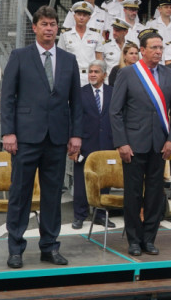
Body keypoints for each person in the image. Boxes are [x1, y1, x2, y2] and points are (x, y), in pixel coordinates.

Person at [2, 6, 81, 269]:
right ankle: (15, 249)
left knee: (52, 196)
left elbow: (76, 103)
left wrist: (76, 135)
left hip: (57, 139)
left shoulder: (69, 61)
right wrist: (8, 132)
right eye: (44, 24)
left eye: (53, 24)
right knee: (20, 195)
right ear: (34, 27)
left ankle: (49, 247)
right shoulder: (19, 56)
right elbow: (8, 97)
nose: (49, 28)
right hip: (25, 137)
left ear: (58, 28)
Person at [109, 29, 171, 256]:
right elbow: (115, 111)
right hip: (133, 145)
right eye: (154, 47)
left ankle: (149, 238)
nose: (159, 51)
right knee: (132, 194)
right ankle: (133, 239)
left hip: (160, 145)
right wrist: (122, 142)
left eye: (161, 47)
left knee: (154, 194)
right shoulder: (128, 74)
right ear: (142, 50)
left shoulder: (170, 75)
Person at [71, 60, 116, 231]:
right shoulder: (80, 93)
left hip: (107, 144)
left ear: (104, 74)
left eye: (96, 71)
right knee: (81, 181)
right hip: (84, 144)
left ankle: (101, 215)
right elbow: (73, 119)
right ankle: (79, 215)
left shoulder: (113, 92)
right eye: (90, 71)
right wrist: (73, 143)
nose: (92, 74)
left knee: (104, 181)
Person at [58, 1, 105, 87]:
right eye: (79, 14)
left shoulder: (96, 34)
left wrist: (100, 77)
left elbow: (99, 58)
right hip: (71, 75)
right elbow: (60, 57)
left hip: (91, 76)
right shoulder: (65, 34)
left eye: (85, 15)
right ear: (74, 16)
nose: (81, 18)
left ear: (89, 18)